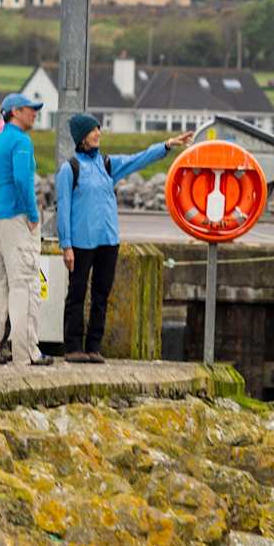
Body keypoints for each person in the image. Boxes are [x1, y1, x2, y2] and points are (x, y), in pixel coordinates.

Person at [55, 114, 188, 363]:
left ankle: (94, 346)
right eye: (93, 130)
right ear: (82, 136)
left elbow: (137, 160)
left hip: (108, 240)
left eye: (99, 129)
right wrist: (66, 245)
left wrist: (167, 145)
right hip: (81, 243)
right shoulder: (69, 169)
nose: (98, 133)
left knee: (101, 295)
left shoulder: (107, 164)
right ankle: (73, 346)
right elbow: (63, 208)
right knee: (76, 294)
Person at [0, 92, 51, 367]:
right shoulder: (21, 141)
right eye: (31, 109)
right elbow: (21, 178)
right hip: (15, 221)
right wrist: (31, 214)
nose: (35, 114)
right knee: (24, 285)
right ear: (15, 112)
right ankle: (27, 352)